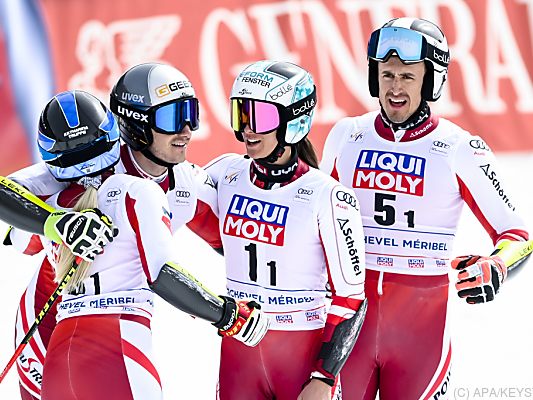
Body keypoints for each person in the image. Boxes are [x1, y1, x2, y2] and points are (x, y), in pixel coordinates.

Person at [320, 17, 531, 400]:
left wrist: (496, 265)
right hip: (348, 327)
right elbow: (311, 225)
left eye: (407, 77)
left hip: (420, 336)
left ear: (431, 81)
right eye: (386, 75)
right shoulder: (346, 136)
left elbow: (517, 236)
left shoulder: (459, 148)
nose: (394, 88)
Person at [13, 89, 268, 400]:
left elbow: (19, 237)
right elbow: (162, 275)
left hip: (56, 348)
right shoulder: (139, 190)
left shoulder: (51, 199)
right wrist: (226, 314)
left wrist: (54, 223)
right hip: (115, 345)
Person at [204, 60, 367, 400]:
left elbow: (351, 297)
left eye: (260, 117)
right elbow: (170, 199)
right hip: (239, 357)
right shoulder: (226, 174)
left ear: (294, 121)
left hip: (300, 358)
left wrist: (324, 377)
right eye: (241, 114)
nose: (248, 130)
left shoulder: (329, 195)